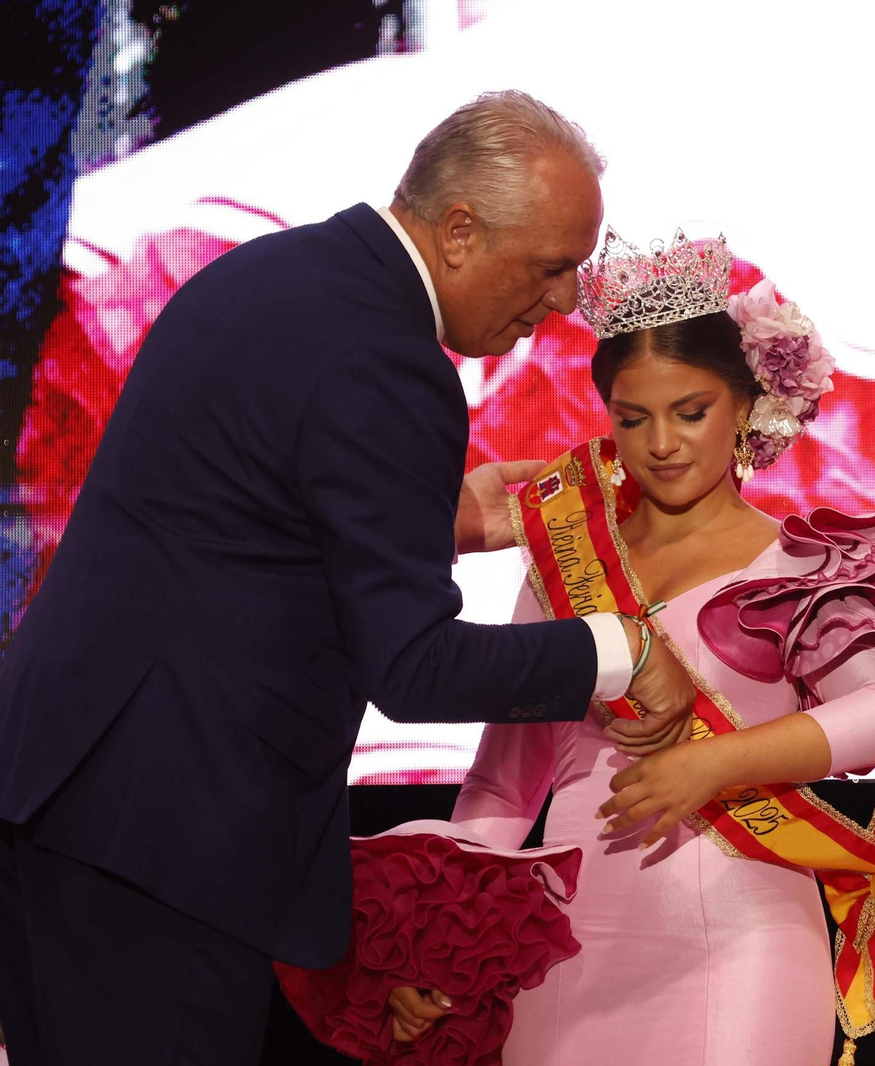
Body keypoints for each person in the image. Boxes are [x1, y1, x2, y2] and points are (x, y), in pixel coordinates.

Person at [0, 91, 695, 1065]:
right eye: (550, 266)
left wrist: (434, 522)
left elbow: (238, 525)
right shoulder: (391, 361)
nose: (567, 301)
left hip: (70, 798)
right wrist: (625, 650)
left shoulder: (274, 274)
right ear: (460, 231)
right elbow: (415, 669)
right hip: (170, 840)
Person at [361, 230, 875, 1064]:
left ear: (746, 406)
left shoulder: (797, 565)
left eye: (691, 412)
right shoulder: (564, 566)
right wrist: (443, 941)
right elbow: (505, 782)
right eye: (633, 418)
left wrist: (713, 763)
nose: (661, 443)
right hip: (564, 952)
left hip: (742, 943)